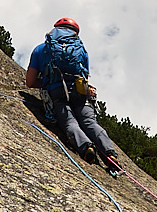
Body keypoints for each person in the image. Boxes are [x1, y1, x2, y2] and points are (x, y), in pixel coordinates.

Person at [26, 17, 125, 177]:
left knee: (69, 122)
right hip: (80, 92)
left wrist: (47, 81)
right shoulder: (81, 51)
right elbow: (84, 77)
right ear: (74, 33)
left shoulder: (41, 49)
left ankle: (86, 147)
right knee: (90, 122)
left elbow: (30, 82)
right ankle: (110, 154)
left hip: (56, 92)